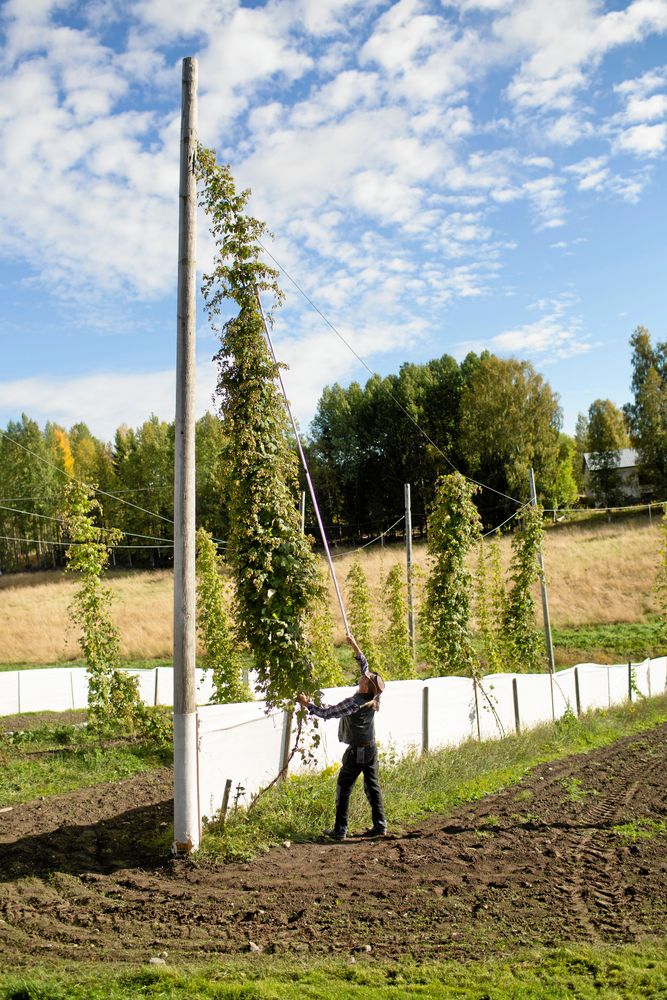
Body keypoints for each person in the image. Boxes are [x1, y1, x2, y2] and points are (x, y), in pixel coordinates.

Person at [298, 634, 387, 841]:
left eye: (366, 678)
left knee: (344, 788)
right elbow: (364, 668)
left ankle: (340, 830)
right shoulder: (373, 697)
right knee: (373, 787)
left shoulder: (354, 702)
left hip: (358, 752)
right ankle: (380, 826)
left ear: (365, 686)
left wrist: (307, 705)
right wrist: (355, 646)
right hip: (370, 749)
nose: (364, 675)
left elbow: (327, 714)